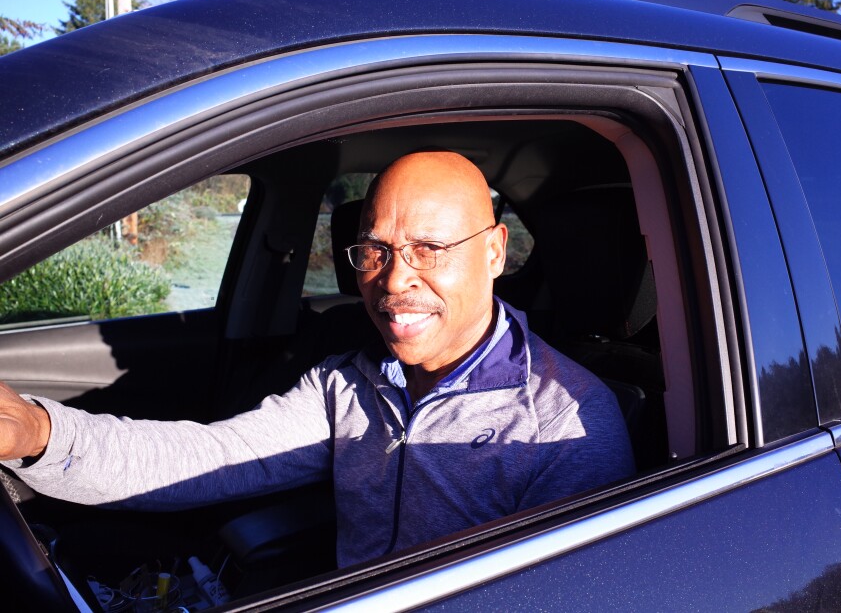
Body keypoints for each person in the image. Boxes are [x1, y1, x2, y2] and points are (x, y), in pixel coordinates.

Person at [0, 151, 635, 567]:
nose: (391, 283)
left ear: (496, 252)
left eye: (430, 249)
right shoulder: (352, 382)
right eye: (376, 251)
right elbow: (214, 459)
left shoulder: (565, 426)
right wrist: (40, 434)